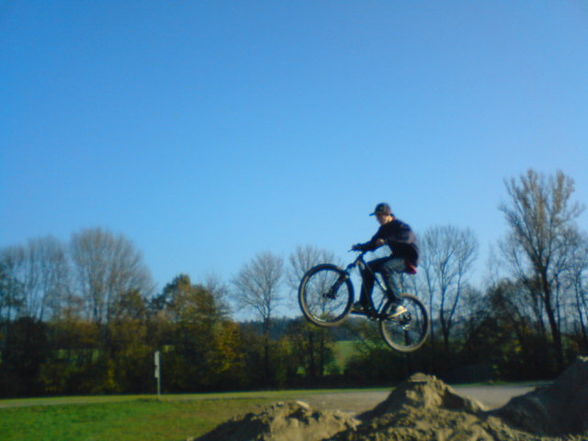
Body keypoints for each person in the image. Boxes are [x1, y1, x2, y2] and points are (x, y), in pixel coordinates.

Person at [351, 202, 419, 317]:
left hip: (408, 259)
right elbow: (373, 244)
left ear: (388, 214)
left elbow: (407, 238)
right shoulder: (383, 229)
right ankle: (364, 303)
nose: (378, 219)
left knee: (386, 268)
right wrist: (360, 247)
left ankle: (398, 302)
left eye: (380, 215)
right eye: (376, 216)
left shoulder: (401, 226)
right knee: (368, 268)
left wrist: (387, 240)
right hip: (395, 258)